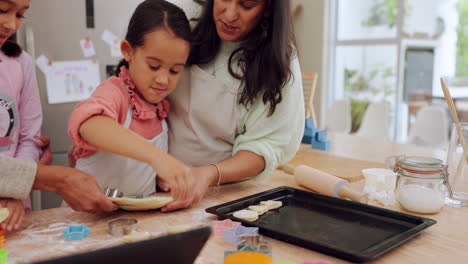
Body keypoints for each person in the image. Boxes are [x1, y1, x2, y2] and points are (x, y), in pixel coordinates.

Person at [160, 0, 305, 211]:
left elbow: (265, 145)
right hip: (155, 179)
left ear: (267, 10)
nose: (229, 15)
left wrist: (209, 174)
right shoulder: (184, 22)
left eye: (246, 5)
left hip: (223, 194)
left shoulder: (277, 60)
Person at [68, 0, 194, 207]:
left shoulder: (160, 109)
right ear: (128, 51)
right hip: (86, 221)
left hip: (133, 222)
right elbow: (89, 124)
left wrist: (161, 177)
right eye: (154, 66)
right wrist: (157, 158)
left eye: (174, 71)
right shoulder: (116, 92)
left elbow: (134, 170)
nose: (163, 79)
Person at [0, 0, 44, 229]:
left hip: (13, 211)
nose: (11, 25)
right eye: (2, 10)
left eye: (20, 15)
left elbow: (30, 137)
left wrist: (15, 193)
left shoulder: (21, 63)